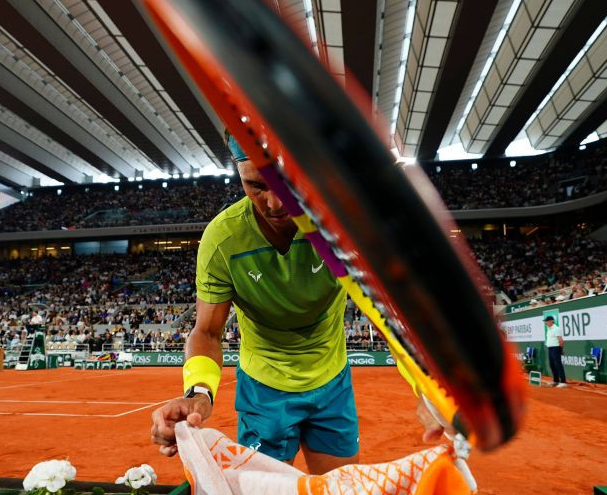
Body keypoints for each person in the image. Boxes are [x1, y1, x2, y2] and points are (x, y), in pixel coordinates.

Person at [150, 134, 441, 474]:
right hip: (263, 390)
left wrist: (429, 384)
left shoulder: (344, 225)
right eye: (255, 185)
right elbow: (208, 331)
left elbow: (389, 314)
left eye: (288, 185)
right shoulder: (222, 240)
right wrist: (199, 392)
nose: (274, 203)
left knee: (338, 487)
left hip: (331, 383)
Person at [543, 315, 567, 387]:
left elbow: (561, 340)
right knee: (552, 365)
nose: (546, 322)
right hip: (550, 348)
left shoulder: (556, 329)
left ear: (551, 321)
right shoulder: (548, 329)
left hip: (556, 348)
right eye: (545, 321)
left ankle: (563, 382)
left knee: (558, 364)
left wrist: (561, 349)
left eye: (547, 321)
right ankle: (556, 380)